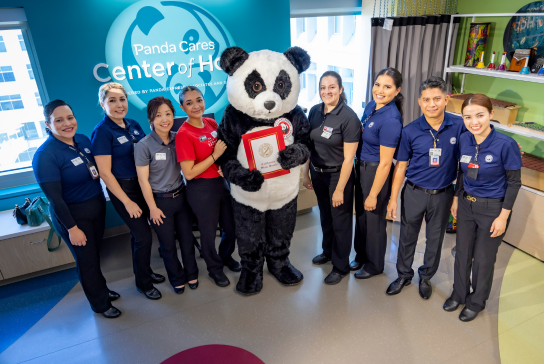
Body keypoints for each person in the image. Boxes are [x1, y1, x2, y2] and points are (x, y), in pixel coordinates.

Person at [32, 100, 120, 318]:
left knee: (94, 255)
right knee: (86, 261)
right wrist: (72, 228)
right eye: (59, 120)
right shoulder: (45, 155)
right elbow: (55, 199)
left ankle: (102, 290)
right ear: (48, 124)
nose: (67, 124)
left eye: (70, 117)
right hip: (73, 216)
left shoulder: (81, 140)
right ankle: (100, 304)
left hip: (96, 208)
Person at [444, 94, 522, 322]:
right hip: (467, 205)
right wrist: (457, 199)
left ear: (491, 114)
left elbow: (514, 182)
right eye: (467, 117)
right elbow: (461, 172)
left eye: (479, 115)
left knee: (483, 259)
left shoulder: (505, 145)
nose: (474, 121)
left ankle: (476, 302)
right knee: (462, 253)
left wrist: (503, 216)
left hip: (493, 209)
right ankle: (459, 294)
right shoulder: (465, 140)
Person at [385, 76, 465, 299]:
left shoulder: (458, 126)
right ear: (420, 102)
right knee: (407, 237)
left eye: (437, 98)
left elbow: (471, 153)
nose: (432, 104)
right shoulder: (410, 131)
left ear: (446, 99)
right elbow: (400, 167)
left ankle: (426, 276)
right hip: (414, 192)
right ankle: (403, 275)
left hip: (443, 194)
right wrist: (393, 199)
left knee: (435, 239)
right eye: (427, 99)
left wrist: (457, 197)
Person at [91, 82, 163, 300]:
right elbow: (105, 173)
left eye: (122, 99)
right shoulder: (102, 132)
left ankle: (145, 271)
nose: (118, 105)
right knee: (143, 237)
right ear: (103, 104)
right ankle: (144, 283)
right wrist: (127, 202)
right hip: (124, 190)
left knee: (138, 235)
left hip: (142, 185)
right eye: (112, 101)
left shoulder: (133, 124)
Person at [175, 86, 240, 287]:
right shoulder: (183, 134)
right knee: (208, 232)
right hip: (201, 189)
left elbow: (225, 148)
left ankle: (225, 256)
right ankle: (214, 269)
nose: (196, 105)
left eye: (199, 99)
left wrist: (223, 165)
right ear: (182, 107)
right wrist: (214, 157)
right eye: (189, 102)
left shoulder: (211, 123)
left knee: (231, 227)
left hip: (220, 183)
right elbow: (189, 172)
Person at [135, 97, 198, 294]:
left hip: (181, 197)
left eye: (168, 114)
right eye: (158, 115)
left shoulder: (179, 137)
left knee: (187, 240)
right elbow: (143, 181)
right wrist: (152, 208)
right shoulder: (143, 145)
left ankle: (192, 273)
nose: (164, 119)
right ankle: (177, 278)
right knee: (168, 245)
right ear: (150, 120)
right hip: (160, 203)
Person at [304, 71, 360, 285]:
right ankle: (327, 252)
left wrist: (339, 188)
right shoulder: (315, 111)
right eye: (323, 88)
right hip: (318, 174)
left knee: (341, 221)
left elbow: (349, 159)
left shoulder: (348, 117)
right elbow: (311, 145)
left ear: (341, 89)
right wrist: (305, 173)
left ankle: (341, 265)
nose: (326, 91)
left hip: (339, 176)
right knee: (325, 216)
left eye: (331, 87)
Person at [351, 67, 403, 280]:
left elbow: (385, 163)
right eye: (377, 84)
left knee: (374, 220)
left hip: (375, 172)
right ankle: (361, 255)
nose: (380, 90)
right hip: (360, 167)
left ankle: (374, 264)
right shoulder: (372, 105)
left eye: (387, 86)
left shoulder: (391, 119)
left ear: (397, 91)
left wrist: (373, 193)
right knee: (362, 217)